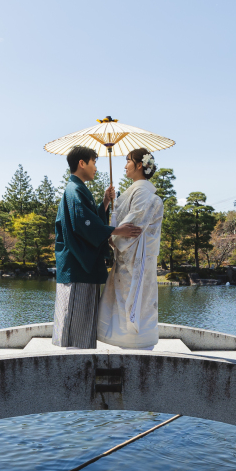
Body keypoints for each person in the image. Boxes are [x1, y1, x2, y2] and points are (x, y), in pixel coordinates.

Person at [52, 146, 142, 348]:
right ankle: (74, 361)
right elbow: (84, 225)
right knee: (76, 322)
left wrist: (104, 203)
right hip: (78, 266)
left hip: (80, 264)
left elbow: (88, 220)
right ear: (81, 163)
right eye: (94, 162)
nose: (95, 168)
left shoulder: (77, 190)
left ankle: (78, 360)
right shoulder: (74, 190)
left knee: (79, 320)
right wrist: (117, 230)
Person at [97, 147, 165, 349]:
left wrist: (113, 235)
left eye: (128, 161)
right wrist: (111, 203)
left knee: (135, 298)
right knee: (125, 297)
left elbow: (133, 226)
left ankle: (137, 341)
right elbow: (122, 223)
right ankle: (126, 339)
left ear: (138, 165)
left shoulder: (143, 193)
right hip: (128, 255)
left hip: (137, 257)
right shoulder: (135, 191)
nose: (125, 165)